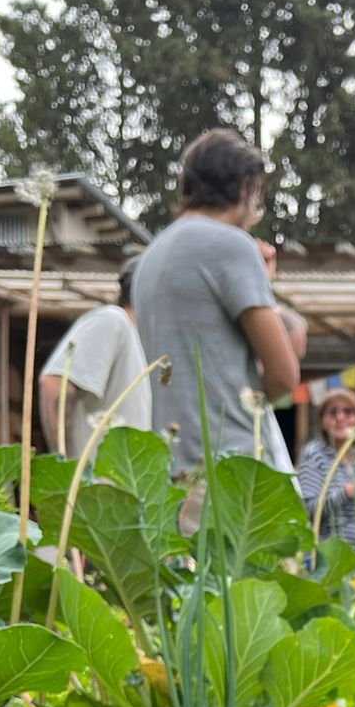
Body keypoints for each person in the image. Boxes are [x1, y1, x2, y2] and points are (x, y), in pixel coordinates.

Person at [132, 128, 305, 492]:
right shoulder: (231, 245)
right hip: (234, 473)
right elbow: (284, 374)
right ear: (245, 187)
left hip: (173, 474)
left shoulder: (150, 257)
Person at [39, 263, 151, 458]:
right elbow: (54, 383)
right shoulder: (113, 320)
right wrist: (67, 469)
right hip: (93, 486)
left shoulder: (134, 339)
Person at [296, 388, 355, 549]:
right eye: (332, 412)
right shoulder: (314, 455)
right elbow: (308, 510)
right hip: (327, 555)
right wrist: (348, 492)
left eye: (348, 412)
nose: (340, 418)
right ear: (322, 421)